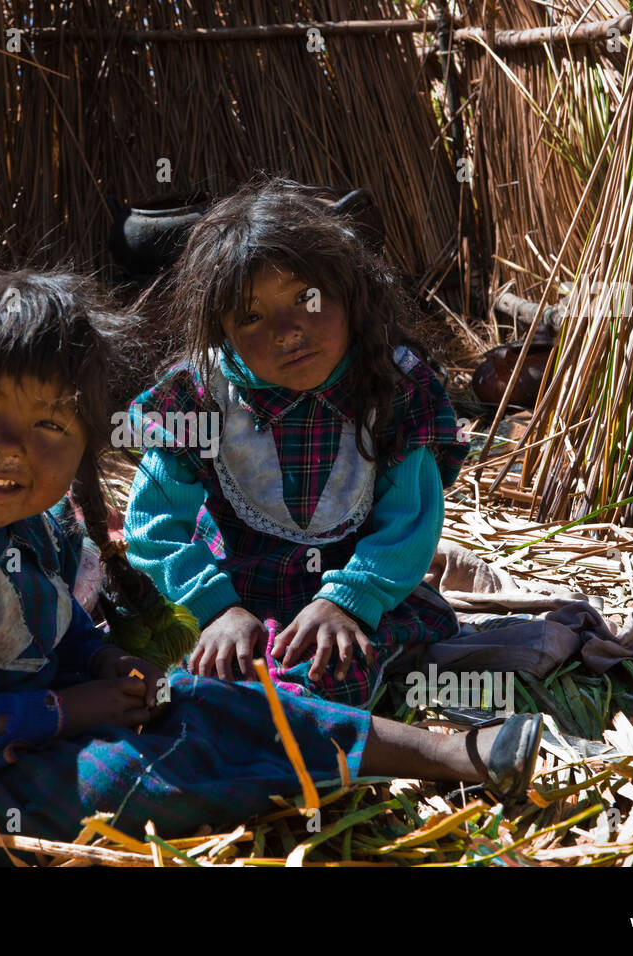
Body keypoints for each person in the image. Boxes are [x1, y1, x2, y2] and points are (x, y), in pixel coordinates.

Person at [0, 268, 540, 865]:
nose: (9, 445)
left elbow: (49, 629)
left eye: (50, 423)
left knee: (213, 697)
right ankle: (315, 771)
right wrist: (72, 709)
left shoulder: (25, 519)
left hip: (17, 749)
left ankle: (454, 754)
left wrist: (105, 660)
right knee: (137, 770)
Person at [123, 178, 467, 708]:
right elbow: (154, 526)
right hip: (231, 588)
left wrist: (349, 603)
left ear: (350, 294)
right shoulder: (199, 395)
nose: (287, 332)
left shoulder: (393, 389)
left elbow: (409, 520)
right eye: (252, 317)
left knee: (332, 673)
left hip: (353, 595)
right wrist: (214, 609)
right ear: (222, 332)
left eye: (307, 298)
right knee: (196, 675)